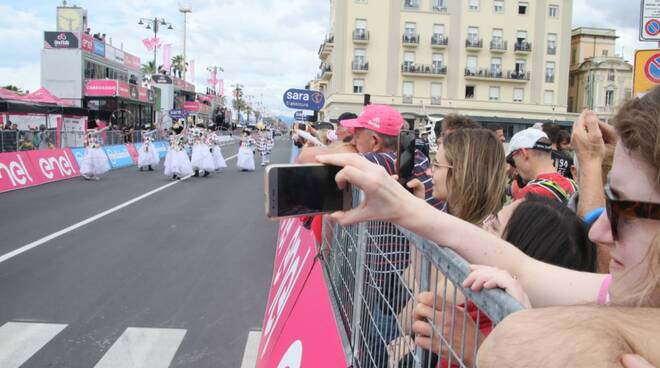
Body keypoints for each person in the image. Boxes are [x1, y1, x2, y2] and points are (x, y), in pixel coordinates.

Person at [317, 86, 660, 362]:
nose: (599, 232)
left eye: (624, 210)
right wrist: (407, 209)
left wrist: (510, 336)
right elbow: (521, 268)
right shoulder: (633, 293)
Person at [506, 128, 577, 202]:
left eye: (513, 162)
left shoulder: (529, 194)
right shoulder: (573, 186)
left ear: (524, 154)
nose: (515, 170)